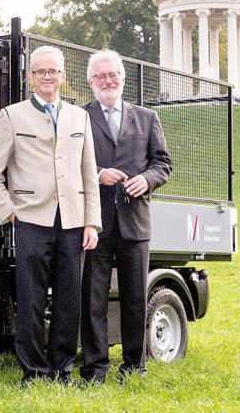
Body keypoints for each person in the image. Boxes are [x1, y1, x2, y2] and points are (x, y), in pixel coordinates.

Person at [0, 45, 101, 385]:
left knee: (69, 299)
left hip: (73, 222)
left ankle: (63, 369)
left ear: (63, 75)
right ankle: (34, 371)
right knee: (31, 299)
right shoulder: (12, 116)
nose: (47, 76)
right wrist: (9, 213)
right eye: (41, 71)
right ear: (31, 76)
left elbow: (88, 173)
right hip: (31, 221)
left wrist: (92, 222)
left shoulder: (80, 117)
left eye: (53, 71)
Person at [79, 50, 173, 384]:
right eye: (100, 76)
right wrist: (98, 174)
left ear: (122, 77)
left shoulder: (147, 117)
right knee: (93, 299)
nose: (107, 80)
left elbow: (163, 163)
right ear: (91, 82)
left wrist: (146, 180)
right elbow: (68, 161)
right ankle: (95, 368)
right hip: (95, 223)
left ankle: (135, 366)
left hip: (136, 222)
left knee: (135, 297)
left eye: (112, 74)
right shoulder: (79, 117)